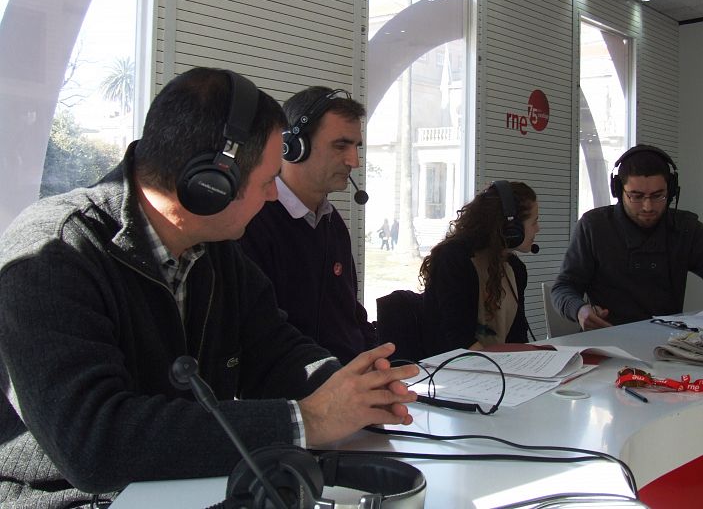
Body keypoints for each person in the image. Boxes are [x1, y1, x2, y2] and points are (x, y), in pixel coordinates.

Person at [0, 68, 417, 508]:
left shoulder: (215, 250)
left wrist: (353, 389)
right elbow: (94, 443)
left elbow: (275, 352)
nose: (274, 197)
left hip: (186, 488)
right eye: (266, 181)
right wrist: (305, 419)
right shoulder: (54, 254)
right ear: (210, 185)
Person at [551, 144, 703, 331]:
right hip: (609, 340)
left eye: (658, 196)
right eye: (636, 197)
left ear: (672, 191)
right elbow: (564, 288)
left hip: (667, 340)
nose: (648, 206)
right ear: (618, 190)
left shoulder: (684, 227)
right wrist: (580, 310)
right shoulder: (593, 226)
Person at [239, 86, 377, 364]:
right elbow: (258, 336)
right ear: (293, 147)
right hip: (300, 388)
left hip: (349, 380)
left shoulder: (332, 223)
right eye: (341, 146)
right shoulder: (252, 221)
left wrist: (378, 361)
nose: (354, 161)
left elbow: (350, 314)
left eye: (356, 147)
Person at [418, 180, 540, 356]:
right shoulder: (453, 259)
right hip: (452, 371)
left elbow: (517, 337)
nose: (538, 229)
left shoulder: (515, 268)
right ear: (511, 228)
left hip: (498, 370)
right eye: (534, 222)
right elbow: (457, 340)